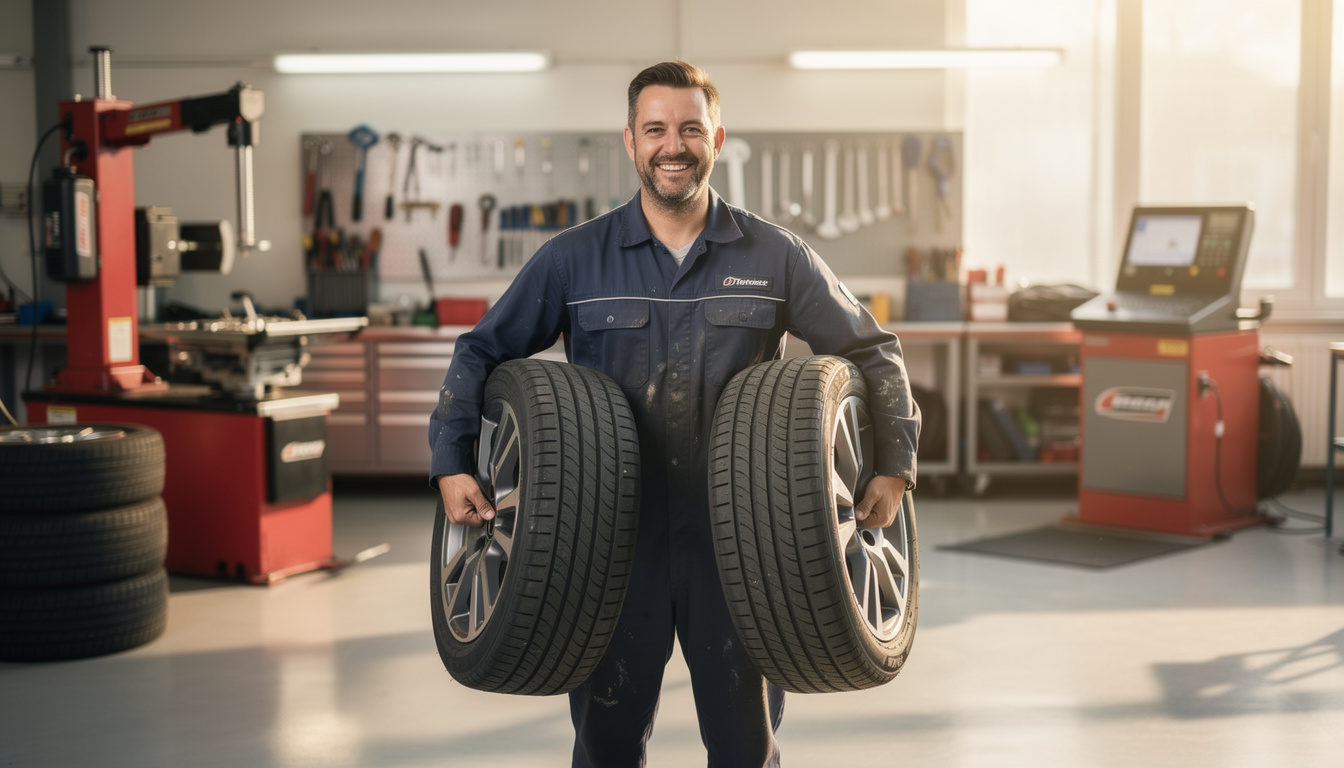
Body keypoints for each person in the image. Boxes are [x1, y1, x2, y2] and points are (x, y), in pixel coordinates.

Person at [429, 60, 919, 768]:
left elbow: (873, 351)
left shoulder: (775, 255)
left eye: (690, 128)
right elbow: (480, 353)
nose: (673, 145)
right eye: (655, 129)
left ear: (717, 136)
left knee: (745, 749)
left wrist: (894, 466)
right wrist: (451, 463)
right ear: (629, 141)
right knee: (605, 747)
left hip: (745, 548)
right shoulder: (574, 260)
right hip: (606, 546)